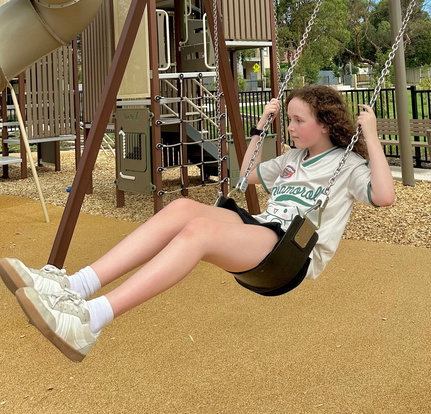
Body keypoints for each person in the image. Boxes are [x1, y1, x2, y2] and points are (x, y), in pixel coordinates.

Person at [0, 85, 395, 362]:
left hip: (290, 255)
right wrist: (261, 125)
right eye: (288, 120)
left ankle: (91, 319)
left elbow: (383, 196)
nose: (289, 128)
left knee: (199, 232)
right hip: (261, 229)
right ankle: (72, 286)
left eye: (297, 120)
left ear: (325, 123)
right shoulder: (293, 158)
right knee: (180, 210)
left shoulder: (349, 165)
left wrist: (371, 138)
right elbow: (247, 175)